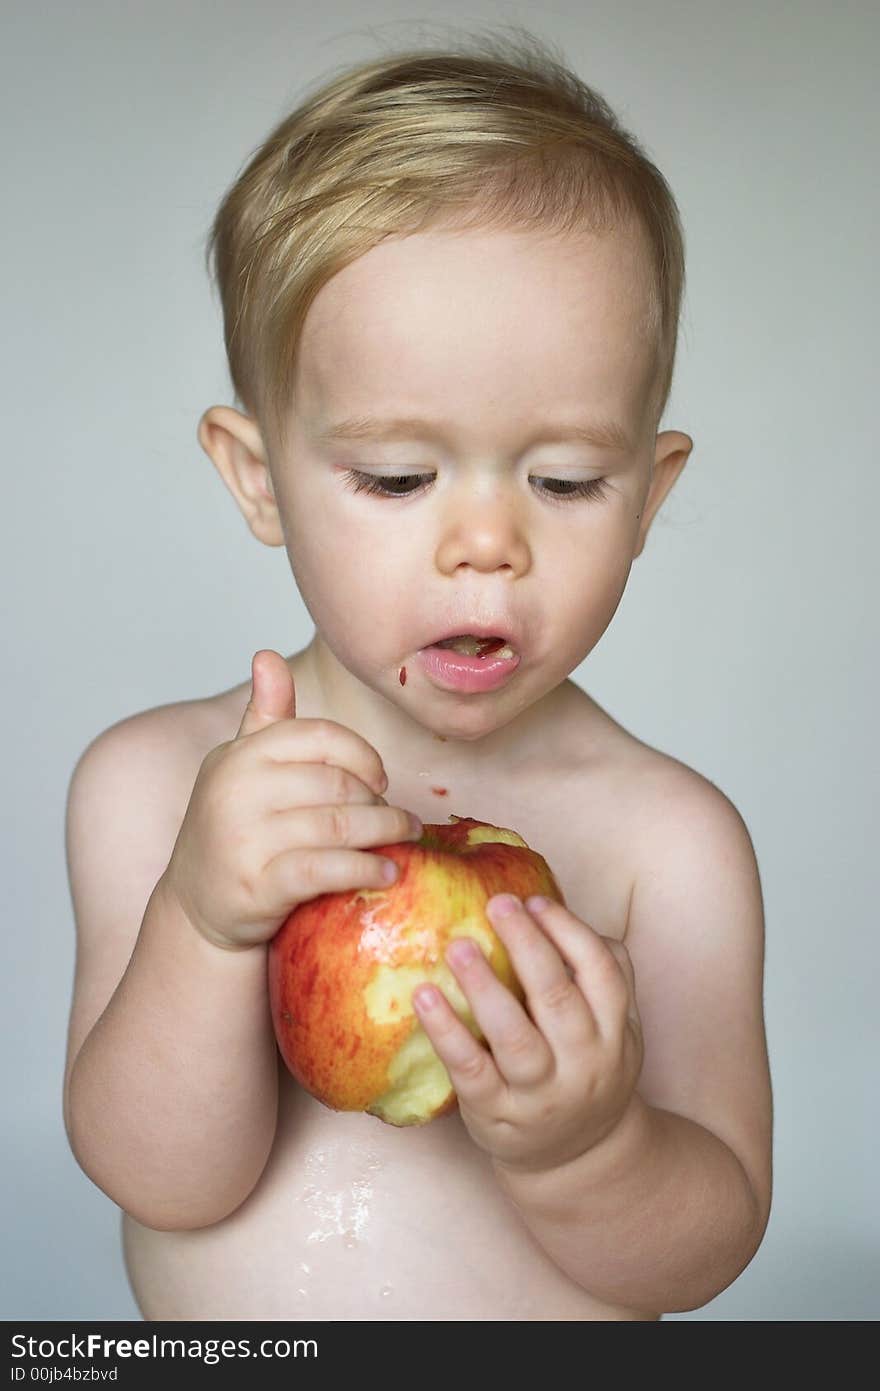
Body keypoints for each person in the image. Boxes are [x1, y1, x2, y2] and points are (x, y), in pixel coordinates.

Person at [62, 29, 772, 1321]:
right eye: (397, 477)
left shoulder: (670, 844)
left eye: (564, 481)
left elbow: (710, 1244)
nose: (487, 544)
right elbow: (161, 1178)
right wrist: (205, 924)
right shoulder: (161, 787)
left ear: (649, 494)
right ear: (258, 477)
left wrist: (590, 1149)